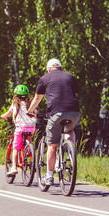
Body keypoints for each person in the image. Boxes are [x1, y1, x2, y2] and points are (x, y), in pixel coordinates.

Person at [27, 58, 80, 186]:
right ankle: (70, 154)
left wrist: (30, 111)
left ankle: (50, 176)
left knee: (52, 145)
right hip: (74, 113)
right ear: (60, 68)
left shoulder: (45, 78)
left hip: (56, 113)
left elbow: (37, 98)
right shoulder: (71, 77)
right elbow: (76, 94)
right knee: (69, 130)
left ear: (48, 69)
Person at [1, 84, 37, 176]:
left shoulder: (15, 104)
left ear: (15, 95)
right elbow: (35, 114)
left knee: (16, 148)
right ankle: (32, 159)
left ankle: (14, 167)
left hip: (20, 128)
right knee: (27, 143)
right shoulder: (30, 103)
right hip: (31, 128)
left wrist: (3, 117)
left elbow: (8, 113)